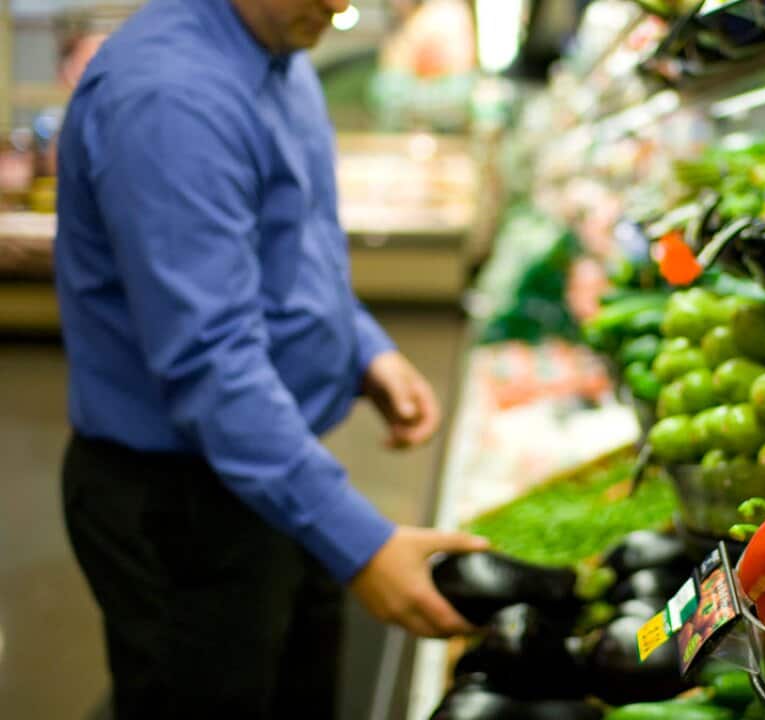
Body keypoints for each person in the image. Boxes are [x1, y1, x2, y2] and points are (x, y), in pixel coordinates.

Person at [53, 0, 488, 717]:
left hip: (271, 471)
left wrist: (364, 350)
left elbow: (291, 254)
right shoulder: (173, 99)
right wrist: (359, 541)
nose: (342, 5)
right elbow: (210, 361)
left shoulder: (279, 51)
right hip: (184, 509)